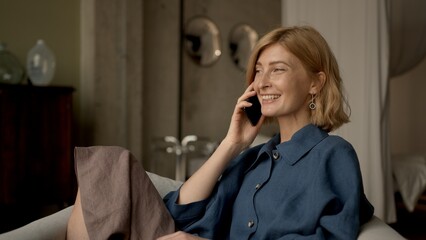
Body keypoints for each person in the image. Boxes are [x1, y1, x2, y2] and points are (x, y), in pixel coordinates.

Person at [66, 25, 374, 240]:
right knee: (109, 163)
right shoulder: (256, 157)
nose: (262, 82)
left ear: (315, 83)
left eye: (277, 69)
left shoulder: (333, 155)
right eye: (258, 70)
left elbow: (334, 236)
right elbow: (180, 211)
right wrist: (232, 144)